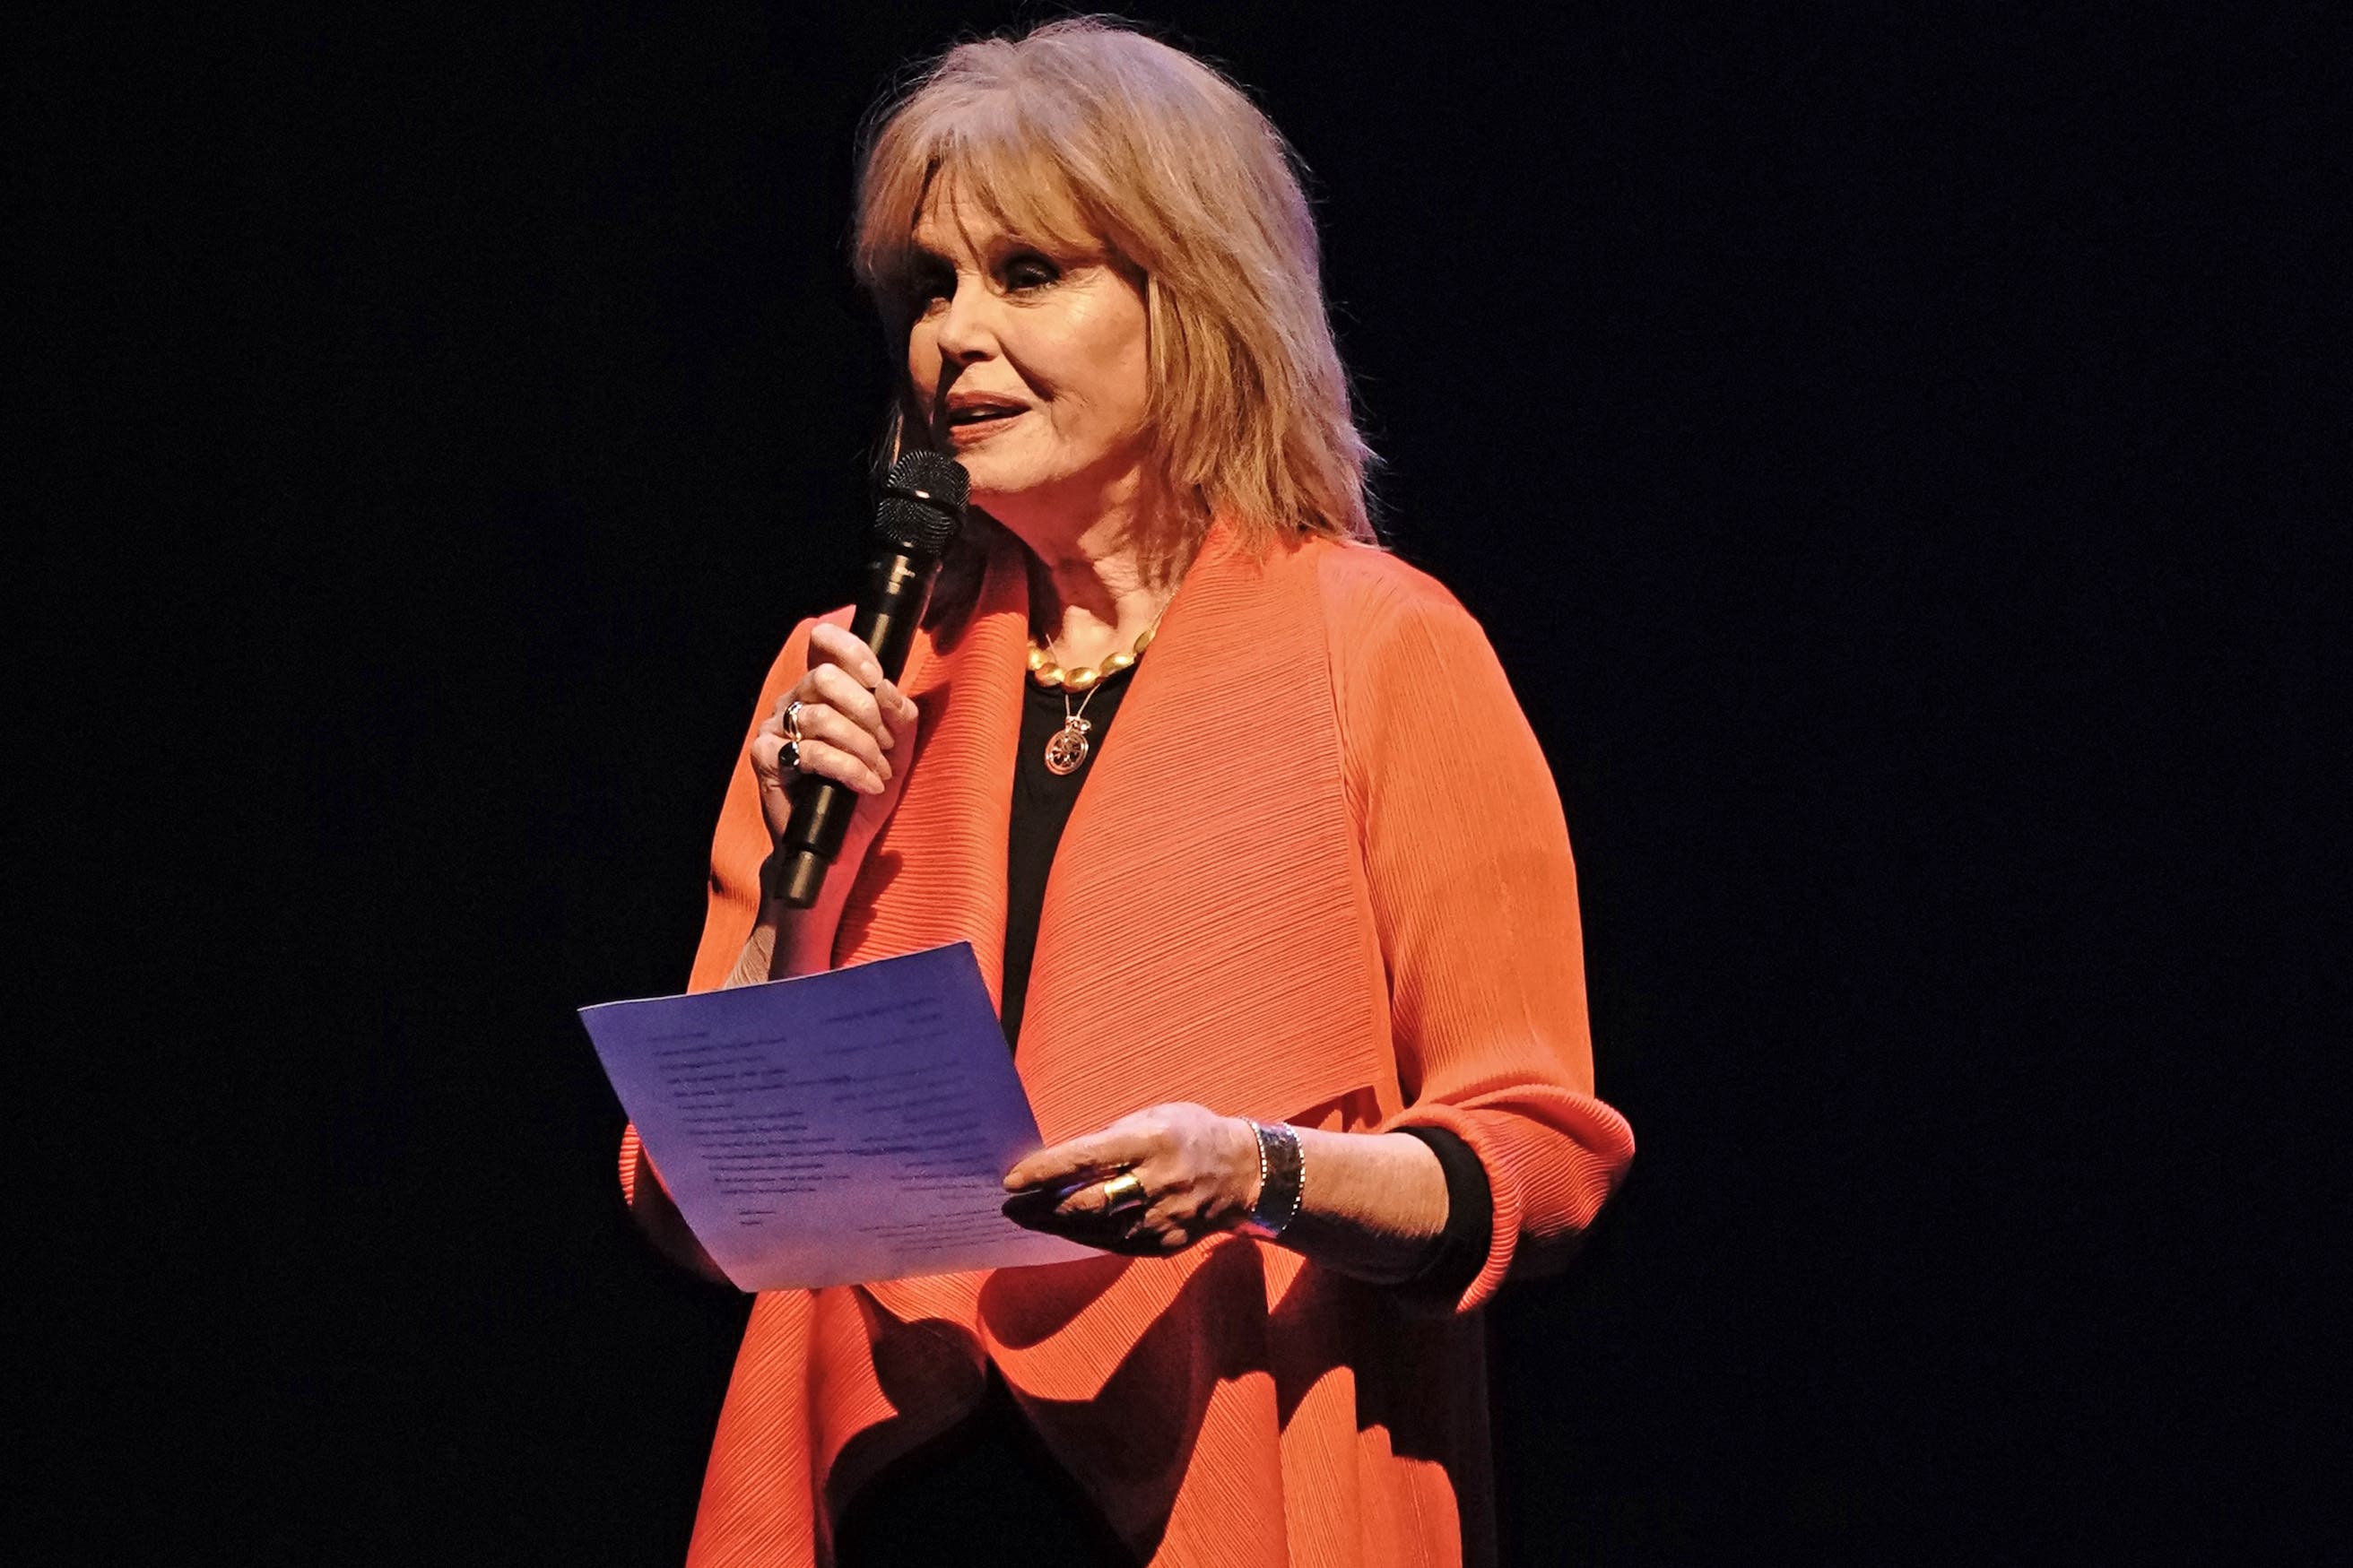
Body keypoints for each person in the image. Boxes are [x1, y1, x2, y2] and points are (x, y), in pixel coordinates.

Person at [616, 19, 1635, 1566]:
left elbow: (1537, 1165)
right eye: (930, 286)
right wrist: (803, 890)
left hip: (1235, 1475)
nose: (954, 334)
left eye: (1027, 272)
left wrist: (1260, 1172)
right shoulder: (850, 681)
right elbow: (692, 1210)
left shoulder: (1381, 647)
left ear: (1197, 300)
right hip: (895, 1498)